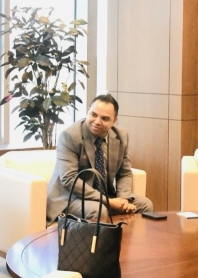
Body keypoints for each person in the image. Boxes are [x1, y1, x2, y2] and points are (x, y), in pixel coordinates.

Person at [46, 93, 153, 223]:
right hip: (71, 198)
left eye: (105, 118)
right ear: (88, 111)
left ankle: (124, 242)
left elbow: (124, 173)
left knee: (145, 204)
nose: (97, 121)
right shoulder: (70, 136)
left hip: (105, 196)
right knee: (98, 210)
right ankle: (98, 244)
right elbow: (69, 179)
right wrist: (108, 201)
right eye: (93, 115)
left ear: (114, 120)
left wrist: (123, 199)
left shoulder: (121, 136)